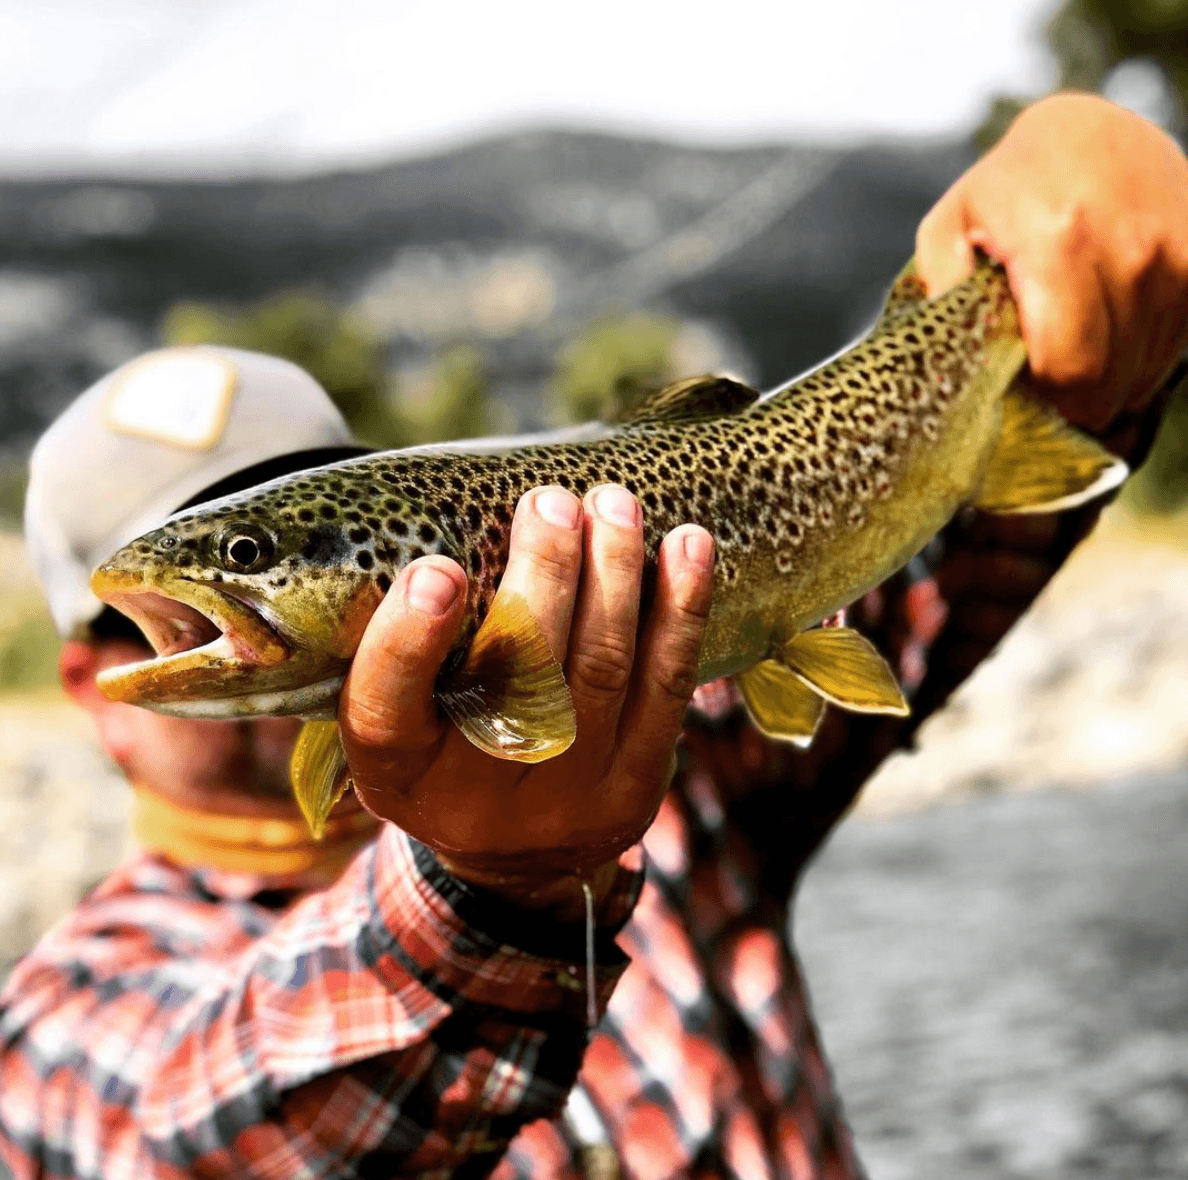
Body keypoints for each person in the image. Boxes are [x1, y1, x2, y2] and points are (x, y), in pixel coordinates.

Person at [1, 92, 1187, 1179]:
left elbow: (937, 533)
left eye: (259, 549)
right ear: (90, 680)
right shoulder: (67, 1018)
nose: (226, 586)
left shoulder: (648, 729)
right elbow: (198, 1144)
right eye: (169, 586)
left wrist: (1078, 241)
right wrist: (490, 887)